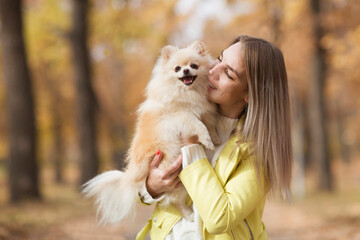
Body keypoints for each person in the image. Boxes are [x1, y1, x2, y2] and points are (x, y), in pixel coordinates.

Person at [136, 35, 293, 240]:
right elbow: (142, 182)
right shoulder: (182, 109)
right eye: (219, 59)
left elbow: (220, 218)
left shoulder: (258, 151)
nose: (212, 70)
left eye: (228, 73)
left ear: (250, 94)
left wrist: (191, 145)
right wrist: (151, 187)